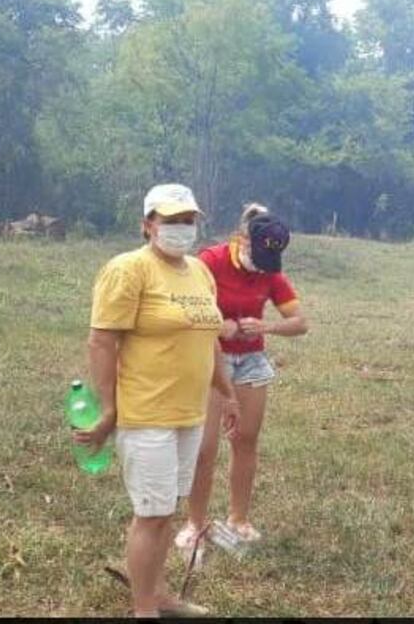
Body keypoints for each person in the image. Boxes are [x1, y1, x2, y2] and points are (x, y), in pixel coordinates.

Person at [73, 183, 240, 617]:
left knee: (167, 511)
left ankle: (159, 594)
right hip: (146, 413)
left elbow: (211, 337)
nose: (182, 229)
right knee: (151, 515)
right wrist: (108, 408)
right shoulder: (129, 269)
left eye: (189, 221)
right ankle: (144, 609)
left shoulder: (200, 272)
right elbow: (101, 342)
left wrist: (226, 390)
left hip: (189, 412)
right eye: (171, 221)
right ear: (148, 225)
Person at [174, 203, 308, 561]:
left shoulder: (269, 270)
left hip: (250, 361)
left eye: (269, 261)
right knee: (205, 447)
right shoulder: (210, 261)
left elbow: (300, 322)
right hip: (211, 356)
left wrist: (267, 326)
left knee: (245, 439)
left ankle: (238, 518)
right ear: (242, 240)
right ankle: (195, 522)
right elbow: (186, 310)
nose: (262, 267)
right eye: (259, 255)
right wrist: (222, 326)